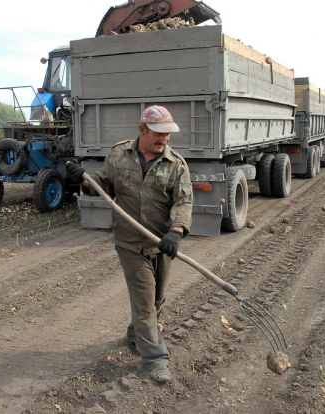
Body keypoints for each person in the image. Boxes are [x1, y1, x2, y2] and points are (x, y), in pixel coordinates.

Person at [65, 105, 193, 383]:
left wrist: (176, 230)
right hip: (130, 243)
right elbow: (105, 185)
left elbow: (183, 201)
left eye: (168, 135)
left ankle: (136, 334)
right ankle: (156, 359)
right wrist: (84, 180)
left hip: (161, 243)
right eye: (158, 134)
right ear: (142, 130)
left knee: (158, 298)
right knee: (145, 303)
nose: (164, 140)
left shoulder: (176, 165)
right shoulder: (119, 154)